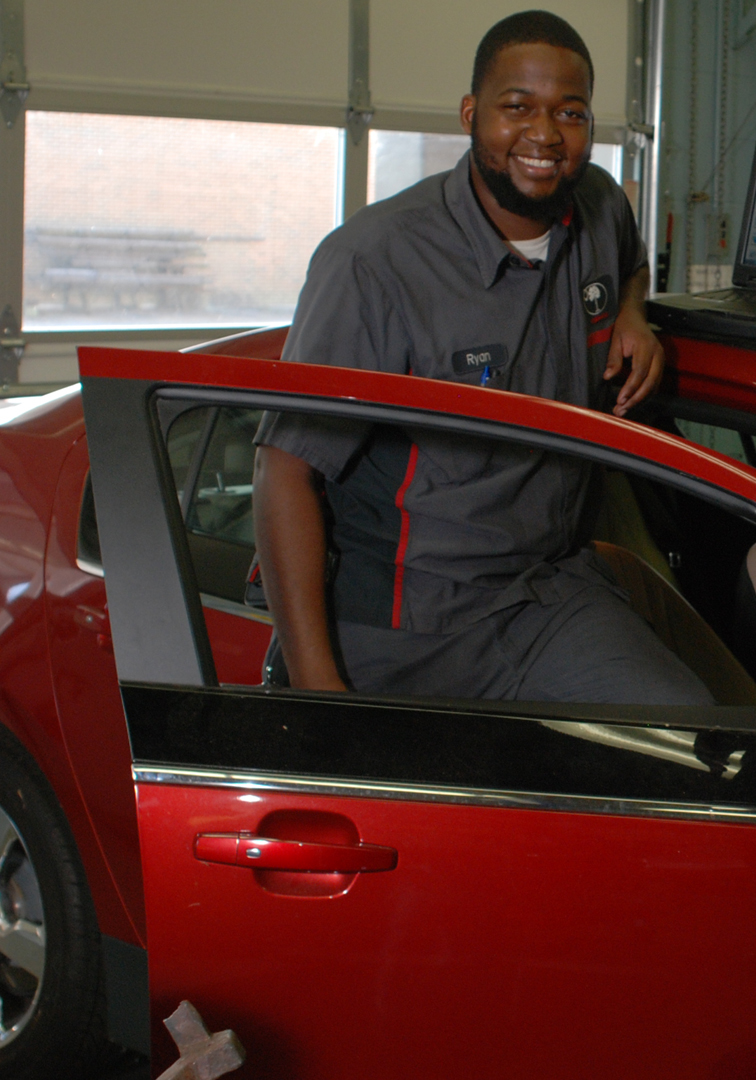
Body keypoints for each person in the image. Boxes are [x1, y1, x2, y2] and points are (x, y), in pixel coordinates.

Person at [252, 10, 710, 707]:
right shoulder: (375, 262)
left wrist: (632, 313)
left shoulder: (599, 207)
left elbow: (630, 267)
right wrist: (321, 691)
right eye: (517, 107)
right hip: (402, 626)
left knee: (684, 742)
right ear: (471, 114)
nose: (545, 134)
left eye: (571, 112)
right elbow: (284, 472)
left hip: (546, 597)